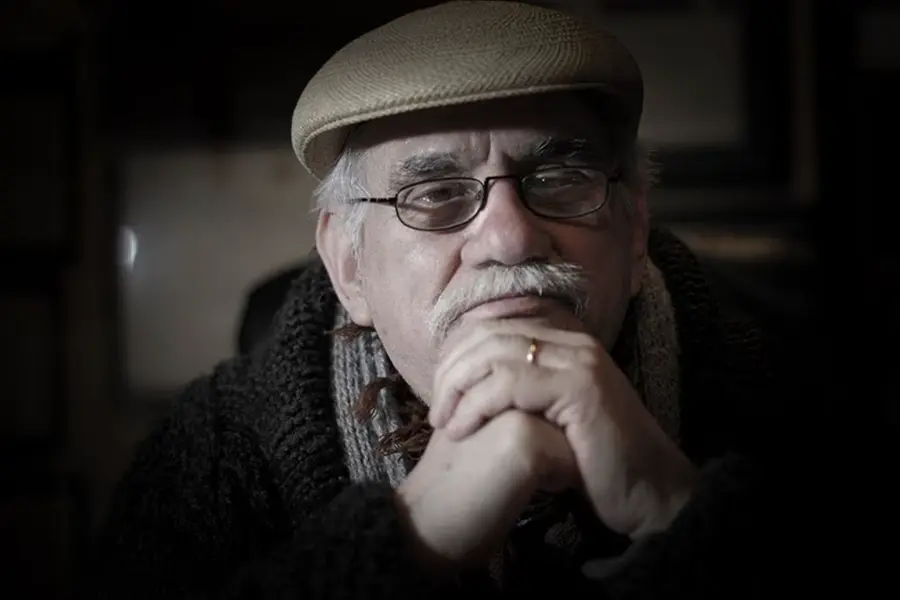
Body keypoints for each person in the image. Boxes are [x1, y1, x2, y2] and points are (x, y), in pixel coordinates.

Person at [84, 1, 844, 598]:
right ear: (349, 265)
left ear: (634, 230)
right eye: (434, 193)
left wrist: (677, 513)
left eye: (559, 179)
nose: (510, 239)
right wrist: (413, 538)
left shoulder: (796, 402)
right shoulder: (211, 458)